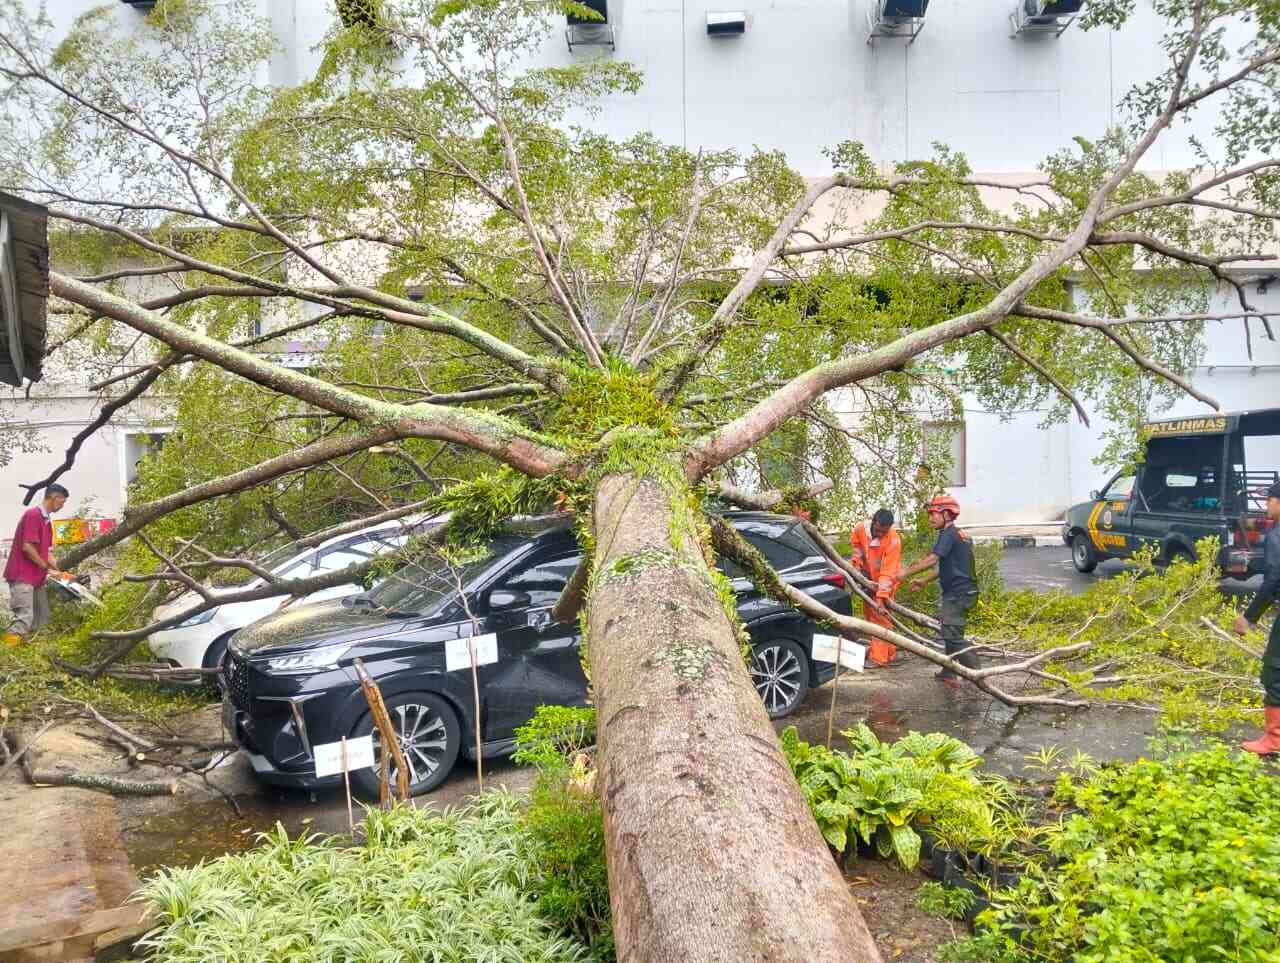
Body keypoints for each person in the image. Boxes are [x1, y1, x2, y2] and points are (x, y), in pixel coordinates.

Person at [900, 493, 978, 685]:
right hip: (962, 592)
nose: (930, 518)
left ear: (947, 514)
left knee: (952, 635)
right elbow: (945, 566)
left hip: (959, 594)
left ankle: (978, 675)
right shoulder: (956, 534)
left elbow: (933, 559)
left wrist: (904, 573)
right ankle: (949, 671)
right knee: (951, 631)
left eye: (934, 514)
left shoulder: (949, 534)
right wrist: (924, 581)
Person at [1234, 481, 1280, 755]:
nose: (1267, 506)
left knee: (1274, 673)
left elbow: (1274, 579)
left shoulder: (1277, 535)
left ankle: (1274, 740)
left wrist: (1249, 617)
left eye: (1270, 500)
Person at [3, 484, 73, 646]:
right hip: (22, 577)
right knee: (24, 618)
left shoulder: (47, 521)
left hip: (36, 579)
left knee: (42, 619)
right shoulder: (33, 515)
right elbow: (27, 547)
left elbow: (47, 553)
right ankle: (5, 655)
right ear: (54, 497)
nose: (63, 505)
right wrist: (47, 569)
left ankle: (33, 655)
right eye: (62, 501)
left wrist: (61, 572)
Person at [849, 508, 903, 665]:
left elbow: (888, 572)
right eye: (878, 530)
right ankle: (889, 653)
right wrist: (856, 566)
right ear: (873, 523)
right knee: (870, 615)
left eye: (883, 532)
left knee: (880, 617)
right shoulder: (860, 529)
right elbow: (856, 546)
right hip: (868, 579)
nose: (880, 534)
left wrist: (881, 598)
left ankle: (878, 658)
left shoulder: (893, 540)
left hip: (887, 582)